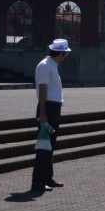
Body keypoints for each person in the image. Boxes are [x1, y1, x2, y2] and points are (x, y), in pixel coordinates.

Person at [31, 39, 72, 193]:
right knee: (44, 147)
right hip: (47, 108)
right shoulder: (45, 65)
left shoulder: (52, 65)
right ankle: (38, 182)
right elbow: (43, 90)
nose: (66, 56)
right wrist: (42, 113)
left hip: (53, 108)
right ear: (61, 53)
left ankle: (47, 178)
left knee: (50, 146)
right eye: (65, 53)